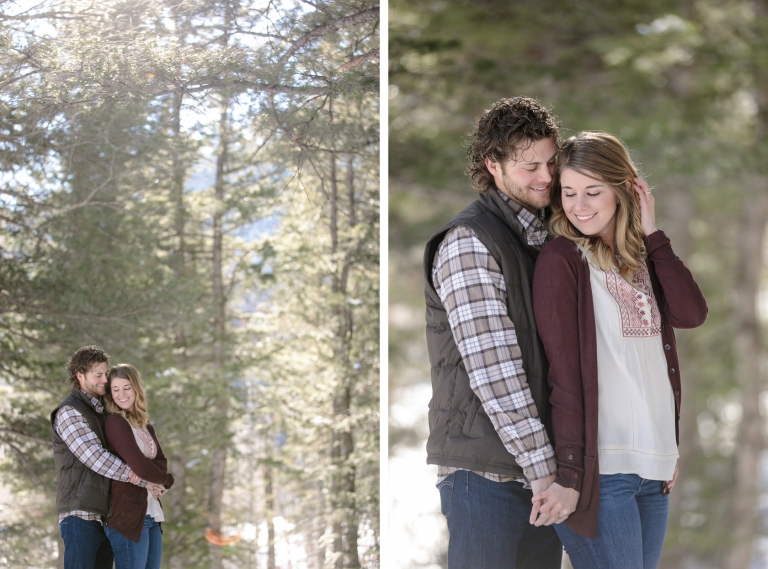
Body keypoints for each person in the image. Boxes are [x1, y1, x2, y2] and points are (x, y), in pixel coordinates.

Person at [531, 131, 708, 569]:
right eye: (568, 193)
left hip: (656, 469)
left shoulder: (646, 260)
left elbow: (691, 314)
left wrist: (653, 234)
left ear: (624, 189)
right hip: (601, 473)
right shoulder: (563, 258)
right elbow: (564, 375)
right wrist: (571, 475)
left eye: (593, 191)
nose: (579, 205)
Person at [423, 97, 563, 568]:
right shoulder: (469, 242)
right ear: (493, 165)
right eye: (529, 166)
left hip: (538, 471)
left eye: (550, 162)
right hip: (484, 473)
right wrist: (545, 469)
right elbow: (493, 370)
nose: (545, 176)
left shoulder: (547, 238)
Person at [52, 346, 148, 569]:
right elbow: (95, 458)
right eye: (98, 374)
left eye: (106, 373)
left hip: (105, 515)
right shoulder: (69, 412)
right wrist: (140, 478)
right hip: (80, 514)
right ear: (80, 375)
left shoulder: (103, 412)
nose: (105, 379)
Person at [103, 363, 174, 569]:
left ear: (136, 388)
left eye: (126, 387)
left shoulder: (144, 425)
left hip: (151, 513)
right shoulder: (116, 422)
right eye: (115, 389)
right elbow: (140, 466)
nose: (121, 394)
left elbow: (161, 460)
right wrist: (167, 480)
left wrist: (154, 476)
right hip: (128, 517)